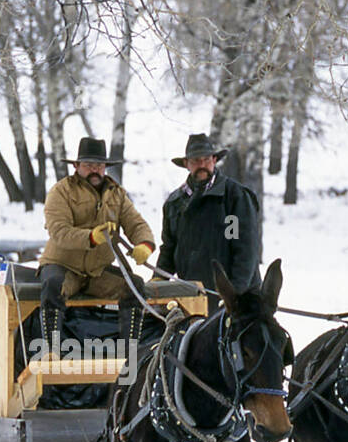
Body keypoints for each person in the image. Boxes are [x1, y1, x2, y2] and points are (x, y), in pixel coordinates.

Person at [38, 137, 156, 357]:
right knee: (52, 285)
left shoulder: (117, 194)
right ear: (76, 166)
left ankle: (130, 353)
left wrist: (145, 244)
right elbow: (59, 231)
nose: (95, 170)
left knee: (134, 286)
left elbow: (136, 223)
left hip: (97, 273)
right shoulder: (60, 191)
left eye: (99, 165)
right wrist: (90, 237)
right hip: (63, 266)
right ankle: (50, 350)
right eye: (89, 165)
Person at [157, 133, 262, 312]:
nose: (202, 165)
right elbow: (169, 247)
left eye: (206, 159)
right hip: (192, 298)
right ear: (186, 164)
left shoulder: (233, 197)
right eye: (196, 161)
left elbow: (244, 249)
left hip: (235, 302)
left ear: (214, 160)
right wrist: (158, 279)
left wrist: (234, 294)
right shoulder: (174, 203)